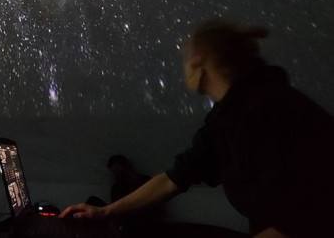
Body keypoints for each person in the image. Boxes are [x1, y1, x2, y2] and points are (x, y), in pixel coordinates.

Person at [60, 19, 334, 238]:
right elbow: (174, 179)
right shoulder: (228, 116)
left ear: (199, 61)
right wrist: (105, 212)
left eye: (186, 58)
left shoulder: (265, 110)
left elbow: (303, 215)